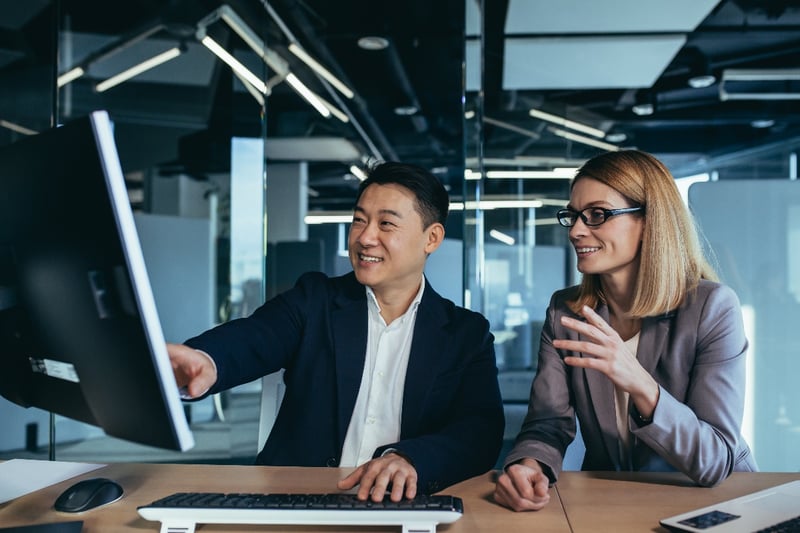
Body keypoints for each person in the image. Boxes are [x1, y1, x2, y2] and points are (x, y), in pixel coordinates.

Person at [169, 161, 504, 502]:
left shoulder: (465, 333)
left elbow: (480, 430)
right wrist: (206, 361)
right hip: (295, 502)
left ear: (431, 238)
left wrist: (412, 459)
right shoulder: (315, 301)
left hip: (405, 505)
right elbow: (255, 337)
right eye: (359, 220)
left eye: (385, 224)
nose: (365, 237)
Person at [494, 150, 757, 512]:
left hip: (713, 503)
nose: (576, 230)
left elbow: (715, 460)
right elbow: (547, 424)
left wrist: (639, 382)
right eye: (572, 216)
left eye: (597, 215)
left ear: (649, 222)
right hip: (615, 502)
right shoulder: (565, 311)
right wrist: (529, 466)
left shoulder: (712, 308)